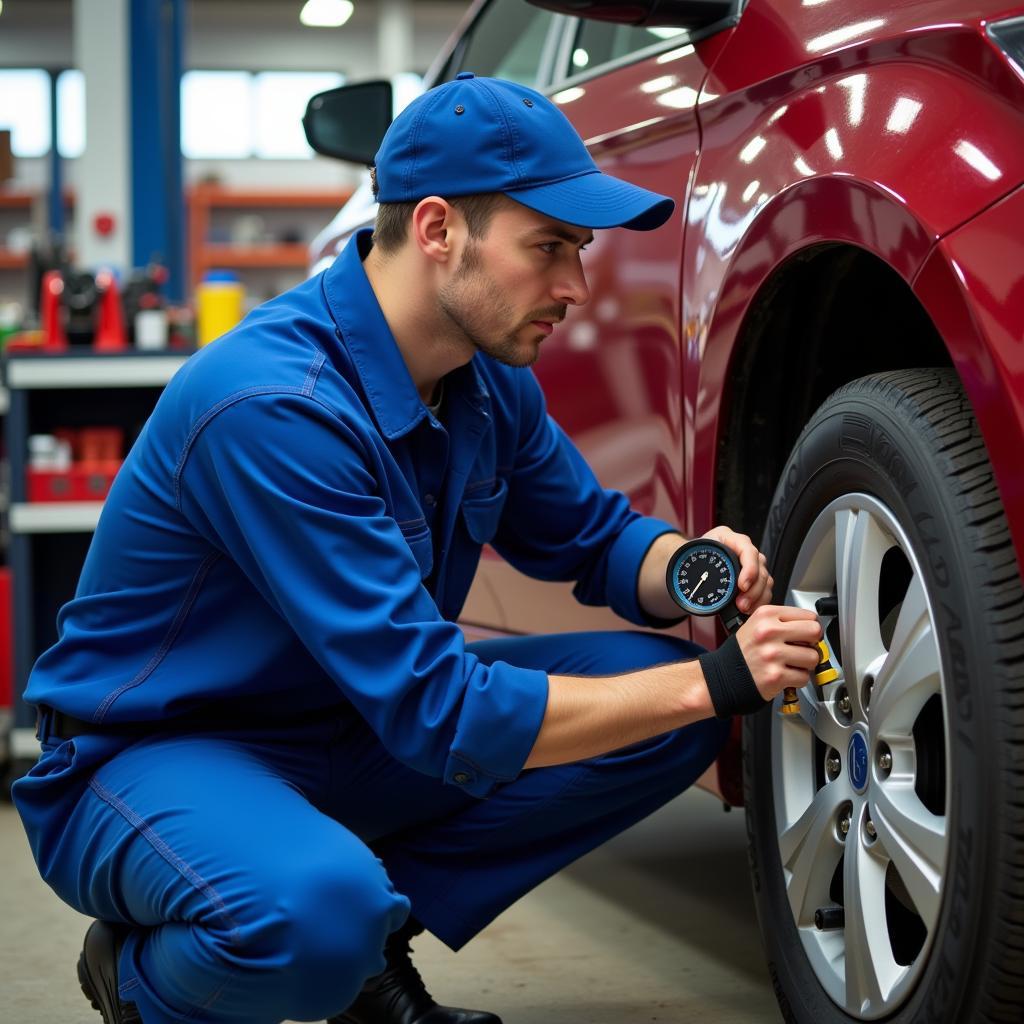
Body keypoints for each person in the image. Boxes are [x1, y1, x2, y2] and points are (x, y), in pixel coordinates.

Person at [13, 73, 823, 1024]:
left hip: (348, 732)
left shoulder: (481, 381)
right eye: (549, 248)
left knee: (660, 706)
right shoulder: (276, 409)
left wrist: (696, 567)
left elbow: (592, 540)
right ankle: (151, 980)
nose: (575, 286)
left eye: (581, 250)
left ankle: (368, 943)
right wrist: (722, 682)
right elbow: (439, 708)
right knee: (310, 917)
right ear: (438, 229)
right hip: (159, 753)